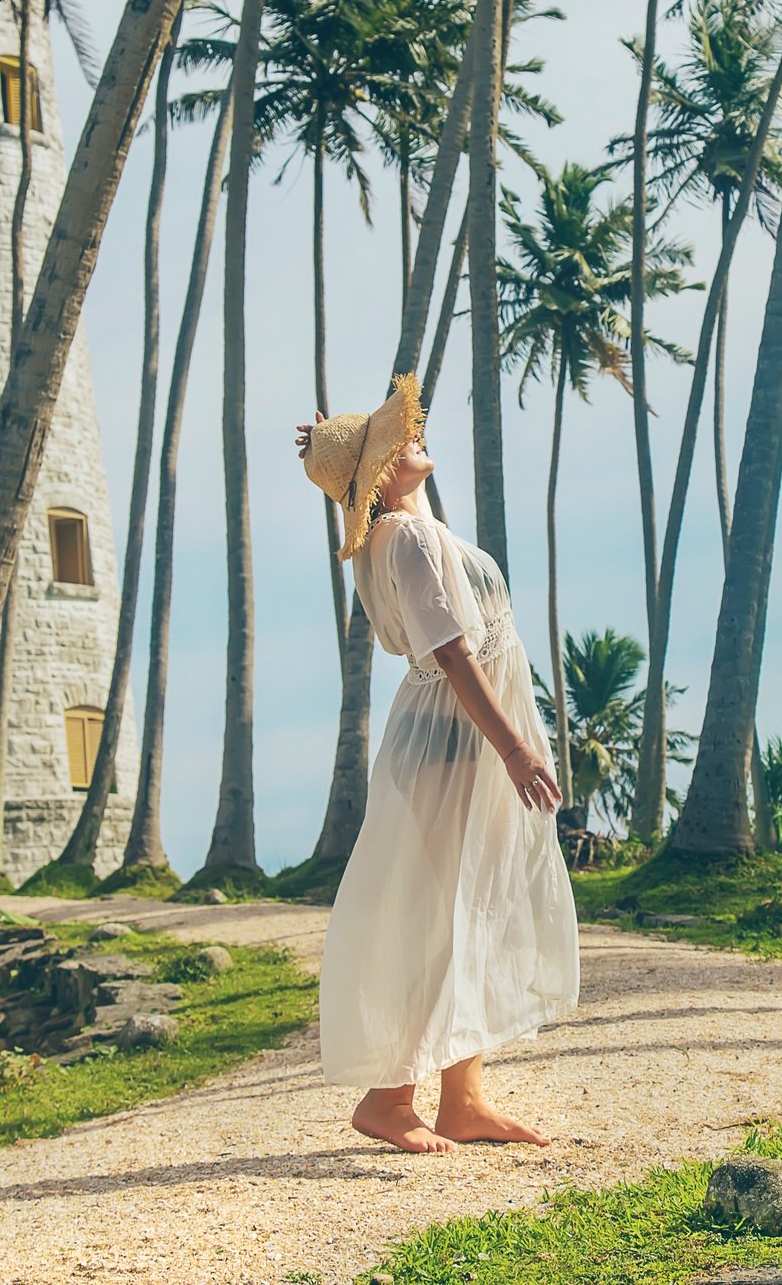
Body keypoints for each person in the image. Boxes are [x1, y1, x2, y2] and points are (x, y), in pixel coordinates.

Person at [297, 371, 580, 1155]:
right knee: (448, 912)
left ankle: (464, 1098)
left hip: (447, 730)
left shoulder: (403, 534)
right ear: (380, 476)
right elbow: (452, 653)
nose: (413, 438)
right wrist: (516, 748)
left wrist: (337, 449)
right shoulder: (410, 539)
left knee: (468, 904)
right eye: (394, 441)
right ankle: (390, 1099)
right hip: (460, 731)